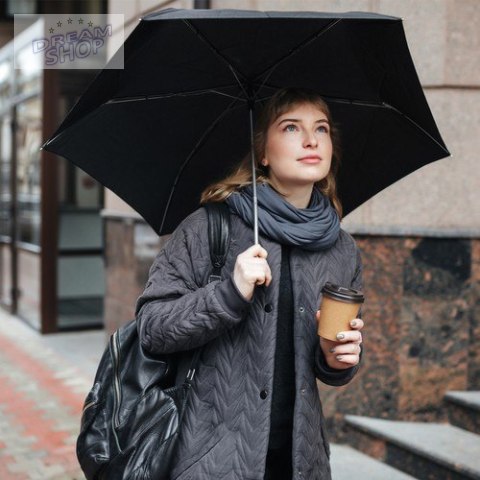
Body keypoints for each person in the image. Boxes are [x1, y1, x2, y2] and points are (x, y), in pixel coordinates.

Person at [135, 87, 364, 480]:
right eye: (291, 127)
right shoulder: (210, 228)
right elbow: (152, 329)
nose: (311, 140)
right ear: (262, 151)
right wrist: (229, 293)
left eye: (321, 129)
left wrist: (335, 358)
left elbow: (327, 367)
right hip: (211, 462)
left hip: (300, 462)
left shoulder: (342, 248)